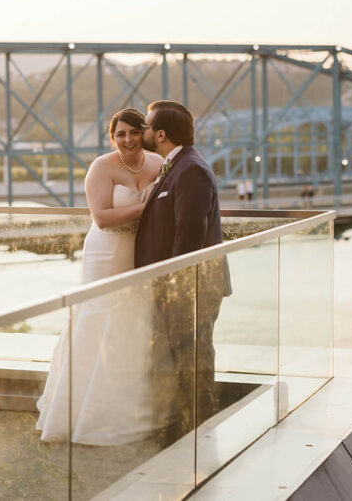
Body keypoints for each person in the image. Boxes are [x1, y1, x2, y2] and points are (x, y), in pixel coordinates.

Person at [36, 108, 165, 445]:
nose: (127, 140)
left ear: (144, 133)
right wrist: (148, 206)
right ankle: (77, 414)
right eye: (120, 134)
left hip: (140, 252)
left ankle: (128, 409)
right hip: (106, 252)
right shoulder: (101, 167)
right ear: (112, 138)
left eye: (134, 133)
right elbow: (103, 218)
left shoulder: (157, 164)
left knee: (130, 323)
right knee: (96, 318)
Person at [135, 100, 231, 447]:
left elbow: (188, 234)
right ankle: (183, 430)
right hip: (184, 283)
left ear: (160, 135)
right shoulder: (178, 165)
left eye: (145, 127)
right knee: (181, 354)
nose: (143, 132)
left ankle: (199, 432)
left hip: (192, 285)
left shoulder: (190, 170)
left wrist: (174, 286)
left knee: (194, 356)